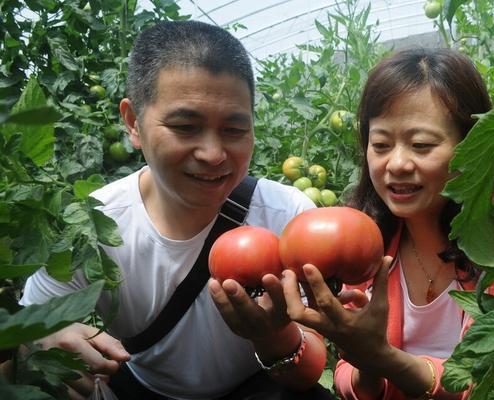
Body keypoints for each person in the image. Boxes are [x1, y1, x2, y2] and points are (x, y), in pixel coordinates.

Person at [20, 20, 330, 400]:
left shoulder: (289, 215)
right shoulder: (93, 224)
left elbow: (311, 369)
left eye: (234, 130)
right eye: (185, 126)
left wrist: (275, 335)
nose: (214, 154)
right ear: (133, 122)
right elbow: (26, 326)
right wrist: (48, 336)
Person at [281, 48, 494, 399]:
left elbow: (491, 375)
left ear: (475, 144)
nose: (396, 163)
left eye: (421, 144)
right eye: (380, 144)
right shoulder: (365, 240)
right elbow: (349, 377)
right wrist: (364, 360)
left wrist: (382, 357)